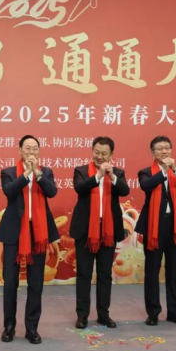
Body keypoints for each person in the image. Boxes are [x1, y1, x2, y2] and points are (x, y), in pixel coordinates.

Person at [0, 135, 59, 344]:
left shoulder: (46, 172)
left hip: (38, 233)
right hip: (14, 231)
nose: (31, 152)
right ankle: (9, 326)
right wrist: (26, 174)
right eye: (28, 148)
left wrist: (37, 175)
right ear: (19, 150)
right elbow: (9, 191)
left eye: (35, 148)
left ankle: (32, 328)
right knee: (10, 281)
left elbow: (52, 192)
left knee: (36, 282)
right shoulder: (8, 172)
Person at [69, 136, 130, 329]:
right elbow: (80, 188)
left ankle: (104, 314)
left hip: (108, 231)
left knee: (104, 274)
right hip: (85, 230)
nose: (100, 156)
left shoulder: (117, 173)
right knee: (84, 274)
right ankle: (82, 315)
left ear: (111, 155)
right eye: (97, 152)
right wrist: (98, 175)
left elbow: (124, 191)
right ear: (92, 151)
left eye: (104, 153)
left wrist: (111, 176)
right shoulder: (81, 171)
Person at [135, 136, 176, 326]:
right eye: (160, 148)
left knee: (173, 271)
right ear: (152, 152)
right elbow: (146, 185)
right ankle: (153, 312)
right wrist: (163, 171)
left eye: (167, 148)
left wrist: (175, 169)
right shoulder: (146, 172)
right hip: (154, 228)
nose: (164, 151)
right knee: (152, 271)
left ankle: (174, 311)